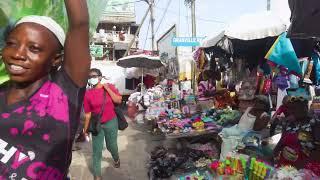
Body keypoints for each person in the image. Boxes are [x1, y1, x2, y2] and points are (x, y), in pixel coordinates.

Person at [0, 1, 90, 179]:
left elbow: (79, 23)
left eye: (34, 48)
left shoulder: (62, 94)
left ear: (55, 59)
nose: (17, 54)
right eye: (11, 44)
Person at [83, 68, 122, 180]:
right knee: (97, 151)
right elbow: (88, 114)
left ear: (100, 77)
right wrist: (85, 131)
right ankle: (97, 176)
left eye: (94, 76)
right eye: (89, 77)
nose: (91, 78)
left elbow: (118, 100)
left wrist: (108, 89)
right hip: (97, 125)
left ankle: (116, 158)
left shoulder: (109, 87)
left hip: (111, 122)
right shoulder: (87, 94)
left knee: (111, 146)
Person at [273, 96, 320, 174]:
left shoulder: (315, 124)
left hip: (306, 168)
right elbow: (282, 140)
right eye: (293, 108)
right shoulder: (288, 122)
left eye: (299, 108)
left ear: (306, 108)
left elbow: (318, 151)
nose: (294, 111)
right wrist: (274, 154)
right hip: (285, 165)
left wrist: (302, 165)